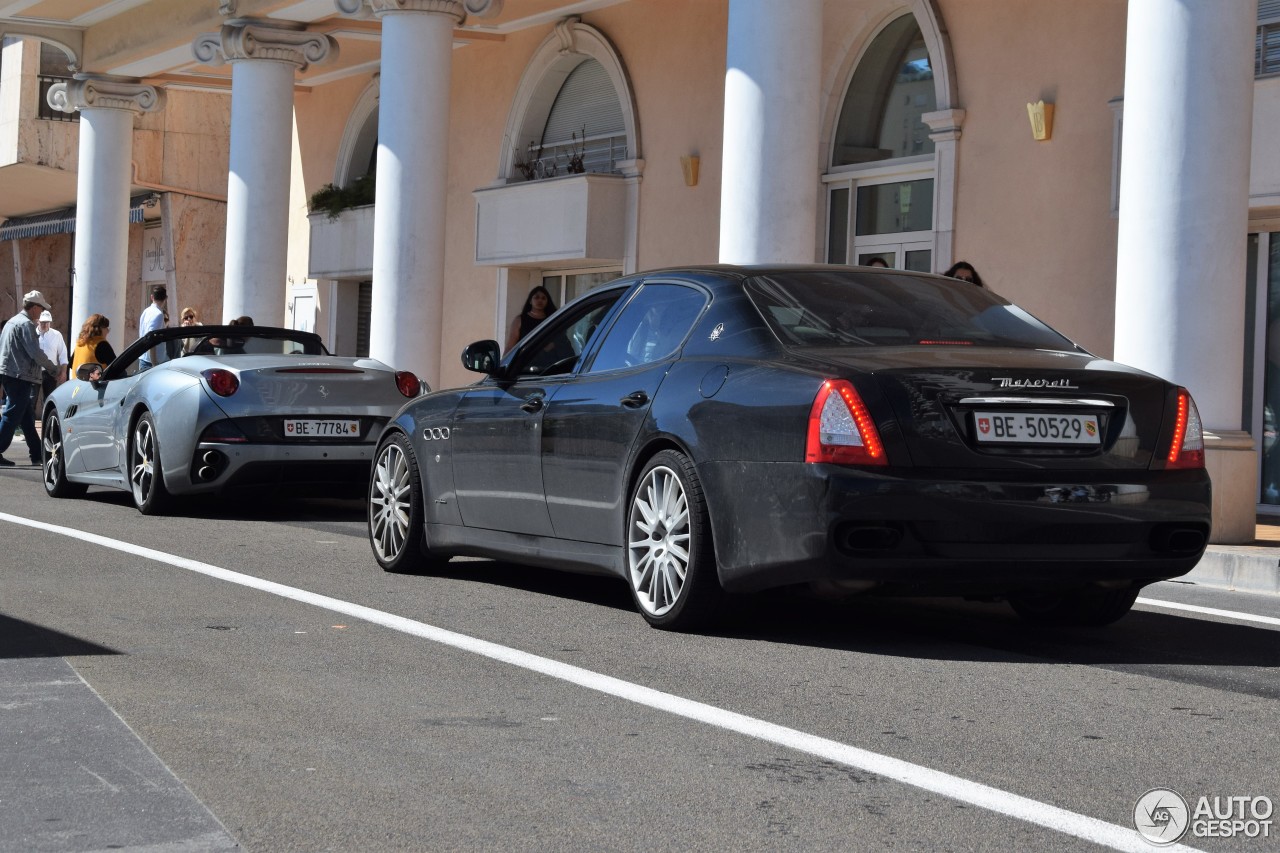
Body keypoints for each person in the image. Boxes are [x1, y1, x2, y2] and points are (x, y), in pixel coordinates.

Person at [0, 291, 63, 467]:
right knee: (12, 414)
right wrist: (53, 369)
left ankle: (37, 454)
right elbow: (35, 353)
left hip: (11, 374)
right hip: (20, 376)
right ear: (34, 307)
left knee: (26, 417)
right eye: (41, 308)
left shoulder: (11, 322)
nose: (41, 311)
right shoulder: (25, 325)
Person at [506, 286, 557, 351]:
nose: (540, 300)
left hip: (550, 359)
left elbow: (560, 340)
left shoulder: (552, 319)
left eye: (543, 298)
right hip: (527, 358)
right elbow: (510, 346)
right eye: (536, 297)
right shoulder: (520, 320)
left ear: (547, 302)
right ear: (530, 301)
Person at [36, 310, 69, 409]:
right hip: (34, 371)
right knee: (31, 400)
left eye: (47, 322)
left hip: (50, 372)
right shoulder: (32, 334)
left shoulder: (56, 335)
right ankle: (29, 424)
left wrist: (63, 372)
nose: (45, 325)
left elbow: (63, 354)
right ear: (38, 321)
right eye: (42, 322)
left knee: (50, 399)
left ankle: (47, 423)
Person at [138, 285, 168, 370]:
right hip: (151, 363)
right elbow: (151, 339)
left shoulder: (145, 312)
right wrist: (154, 364)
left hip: (144, 359)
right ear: (165, 299)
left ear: (152, 297)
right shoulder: (158, 314)